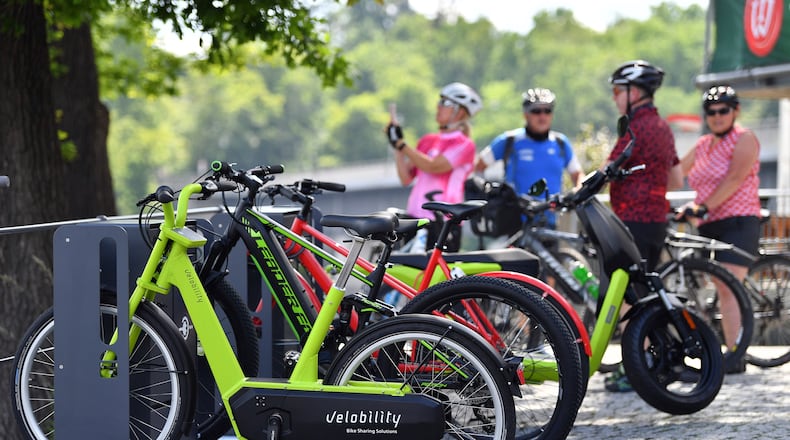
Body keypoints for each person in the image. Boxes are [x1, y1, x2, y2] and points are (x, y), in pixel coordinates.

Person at [604, 60, 684, 392]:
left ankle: (638, 366)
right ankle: (656, 360)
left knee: (627, 297)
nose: (614, 98)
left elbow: (607, 168)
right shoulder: (662, 127)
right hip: (654, 220)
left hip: (632, 221)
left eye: (616, 91)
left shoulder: (636, 127)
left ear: (633, 92)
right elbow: (677, 179)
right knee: (645, 295)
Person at [676, 85, 761, 374]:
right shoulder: (702, 145)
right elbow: (675, 174)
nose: (717, 116)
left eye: (723, 110)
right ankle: (733, 349)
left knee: (727, 286)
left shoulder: (744, 138)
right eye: (711, 112)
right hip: (709, 223)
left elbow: (735, 178)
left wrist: (703, 206)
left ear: (735, 111)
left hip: (739, 221)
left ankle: (735, 357)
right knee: (720, 288)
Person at [385, 82, 481, 252]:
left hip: (443, 221)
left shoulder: (465, 144)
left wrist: (402, 145)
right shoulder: (427, 140)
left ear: (459, 111)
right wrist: (396, 146)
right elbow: (406, 178)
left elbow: (434, 166)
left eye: (445, 103)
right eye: (439, 101)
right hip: (415, 219)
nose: (438, 106)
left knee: (438, 277)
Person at [474, 88, 584, 228]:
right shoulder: (509, 141)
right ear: (526, 115)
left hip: (549, 220)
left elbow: (577, 174)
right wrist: (491, 195)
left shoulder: (561, 143)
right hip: (515, 221)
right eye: (536, 111)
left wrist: (577, 191)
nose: (542, 116)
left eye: (547, 111)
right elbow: (479, 168)